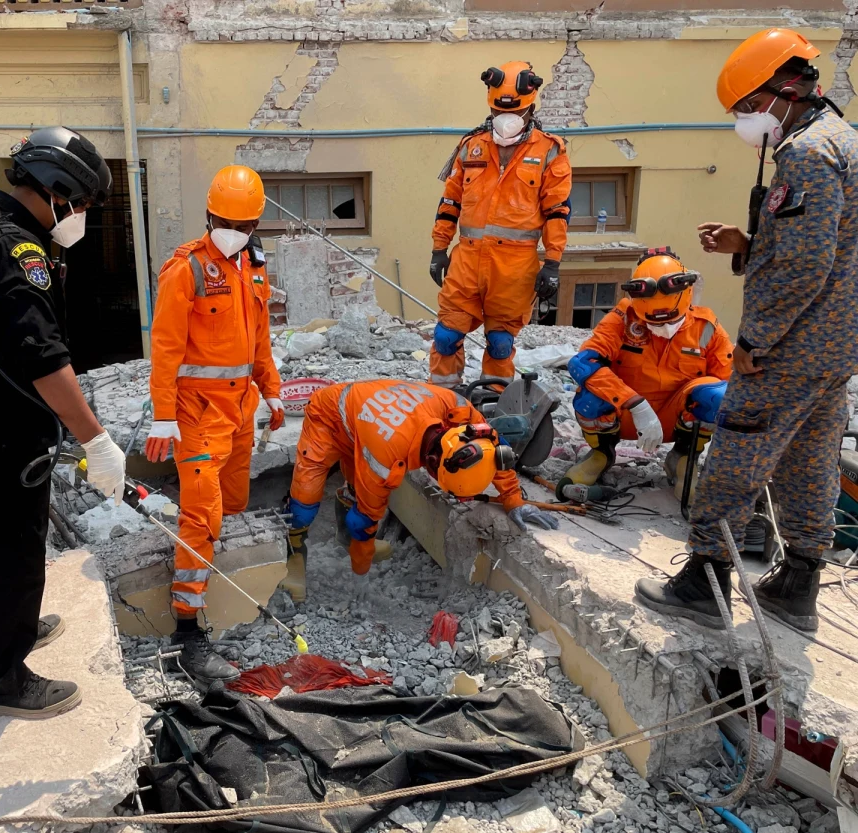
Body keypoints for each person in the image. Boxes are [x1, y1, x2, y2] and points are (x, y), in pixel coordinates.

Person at [636, 29, 858, 632]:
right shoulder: (845, 141)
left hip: (791, 342)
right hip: (834, 344)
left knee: (737, 449)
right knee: (811, 454)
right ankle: (799, 579)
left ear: (780, 93)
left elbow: (804, 266)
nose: (743, 120)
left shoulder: (808, 155)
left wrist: (756, 339)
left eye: (745, 107)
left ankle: (704, 582)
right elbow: (831, 249)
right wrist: (751, 243)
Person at [0, 127, 127, 718]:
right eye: (81, 204)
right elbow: (45, 360)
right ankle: (3, 680)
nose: (80, 216)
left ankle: (15, 630)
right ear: (56, 189)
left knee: (14, 546)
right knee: (5, 555)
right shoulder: (13, 249)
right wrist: (96, 441)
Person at [145, 165, 283, 690]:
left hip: (240, 410)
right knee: (201, 515)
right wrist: (163, 417)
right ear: (209, 216)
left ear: (254, 226)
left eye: (244, 224)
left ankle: (223, 581)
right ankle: (187, 629)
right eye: (226, 221)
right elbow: (165, 349)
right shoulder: (188, 270)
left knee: (235, 501)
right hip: (196, 416)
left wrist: (271, 389)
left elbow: (260, 340)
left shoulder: (253, 266)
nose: (235, 230)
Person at [285, 379, 559, 602]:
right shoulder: (385, 456)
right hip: (330, 414)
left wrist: (513, 500)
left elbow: (493, 451)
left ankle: (344, 540)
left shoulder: (463, 416)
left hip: (369, 411)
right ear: (433, 464)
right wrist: (361, 575)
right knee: (306, 499)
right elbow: (366, 518)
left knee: (359, 488)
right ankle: (295, 556)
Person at [429, 61, 572, 389]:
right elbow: (449, 203)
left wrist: (552, 263)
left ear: (530, 106)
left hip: (514, 266)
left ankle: (493, 402)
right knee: (446, 335)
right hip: (466, 259)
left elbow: (557, 212)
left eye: (514, 112)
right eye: (497, 110)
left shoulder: (550, 152)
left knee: (500, 343)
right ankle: (442, 398)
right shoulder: (472, 146)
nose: (505, 118)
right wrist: (439, 249)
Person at [558, 248, 734, 500]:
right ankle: (601, 454)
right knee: (591, 393)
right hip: (627, 417)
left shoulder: (706, 328)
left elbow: (728, 382)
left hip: (677, 420)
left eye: (669, 320)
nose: (662, 327)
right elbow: (584, 362)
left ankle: (683, 458)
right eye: (653, 321)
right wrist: (635, 404)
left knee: (717, 394)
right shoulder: (622, 318)